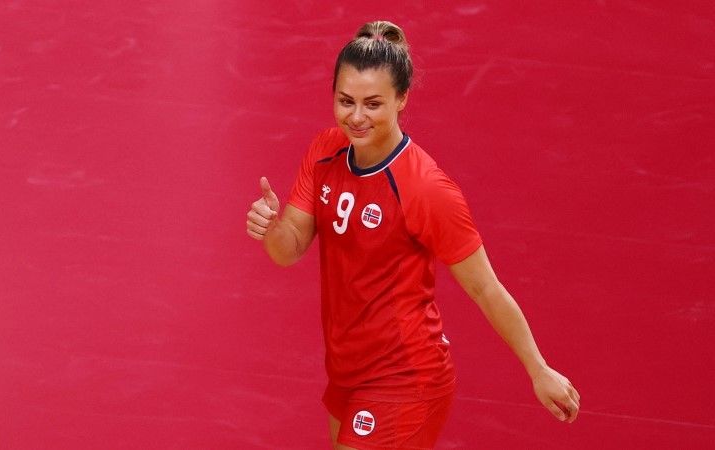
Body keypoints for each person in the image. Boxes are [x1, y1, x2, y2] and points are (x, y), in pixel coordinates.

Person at [246, 20, 580, 450]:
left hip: (405, 377)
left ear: (402, 98)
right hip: (346, 368)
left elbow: (485, 288)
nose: (356, 116)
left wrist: (539, 369)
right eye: (345, 101)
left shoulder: (424, 188)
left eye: (373, 104)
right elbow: (288, 248)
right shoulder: (325, 151)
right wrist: (271, 227)